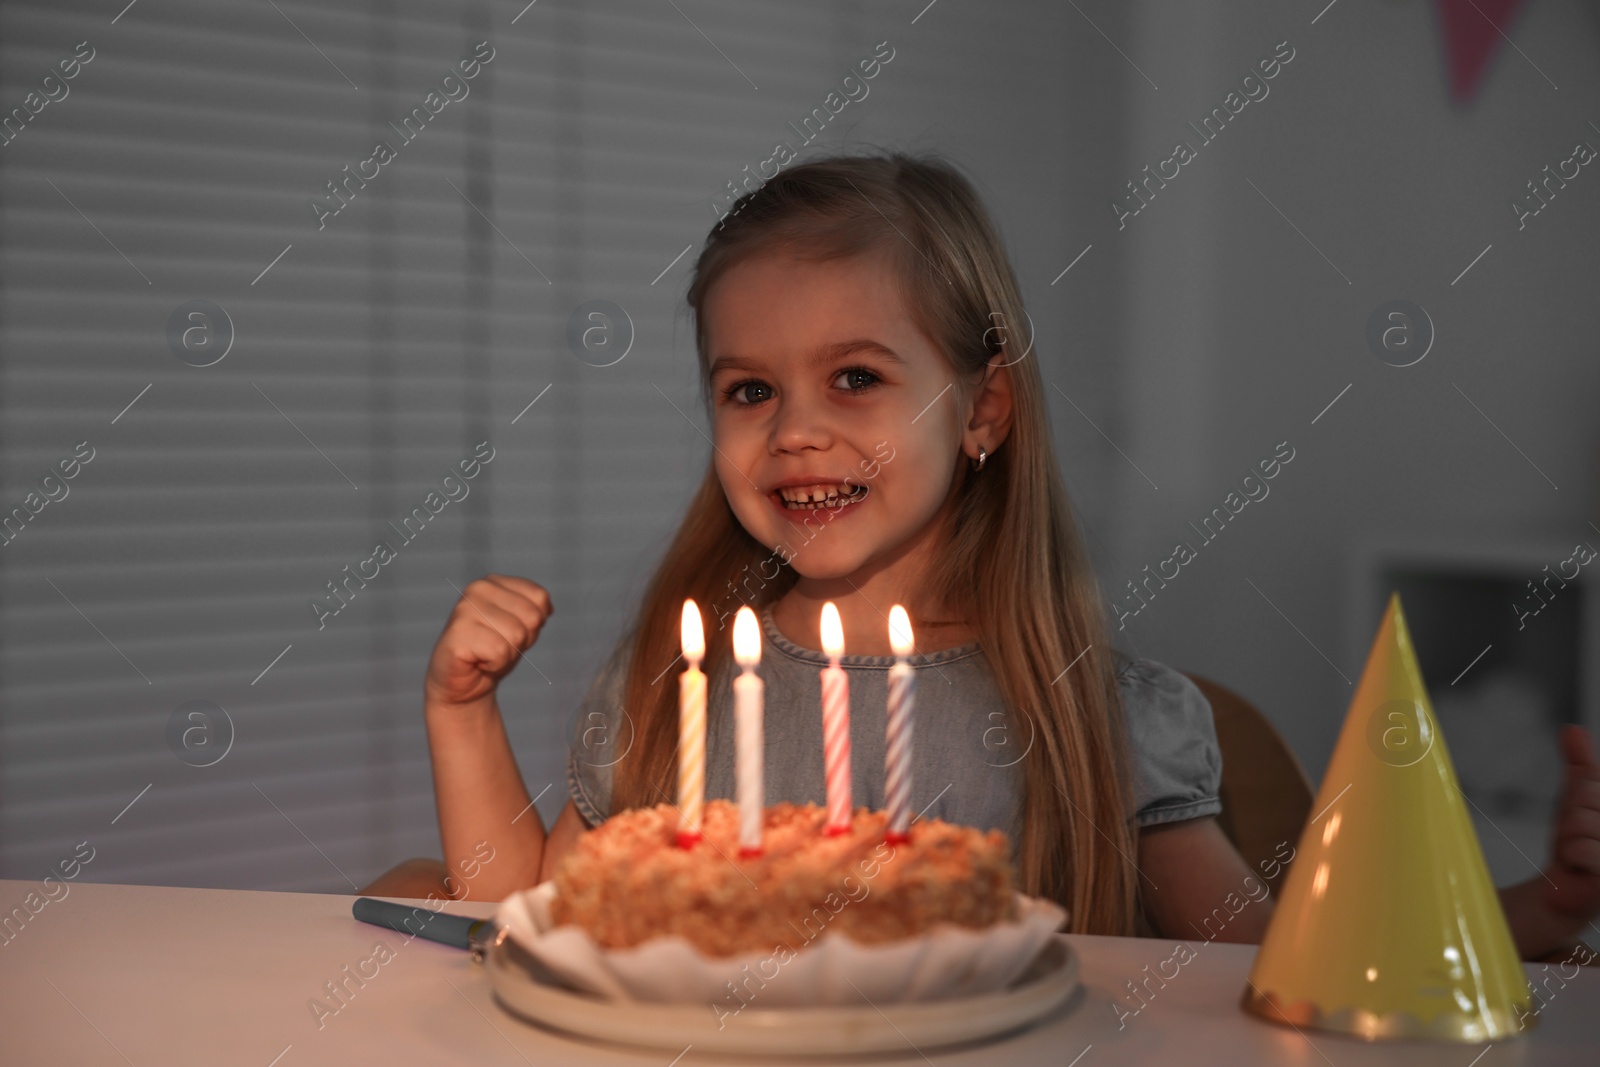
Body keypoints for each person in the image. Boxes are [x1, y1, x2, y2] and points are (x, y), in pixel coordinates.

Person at [362, 152, 1600, 956]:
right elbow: (516, 920)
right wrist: (461, 711)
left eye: (855, 376)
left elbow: (1284, 974)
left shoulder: (1089, 717)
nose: (795, 429)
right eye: (747, 389)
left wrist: (1545, 906)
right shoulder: (675, 685)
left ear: (984, 410)